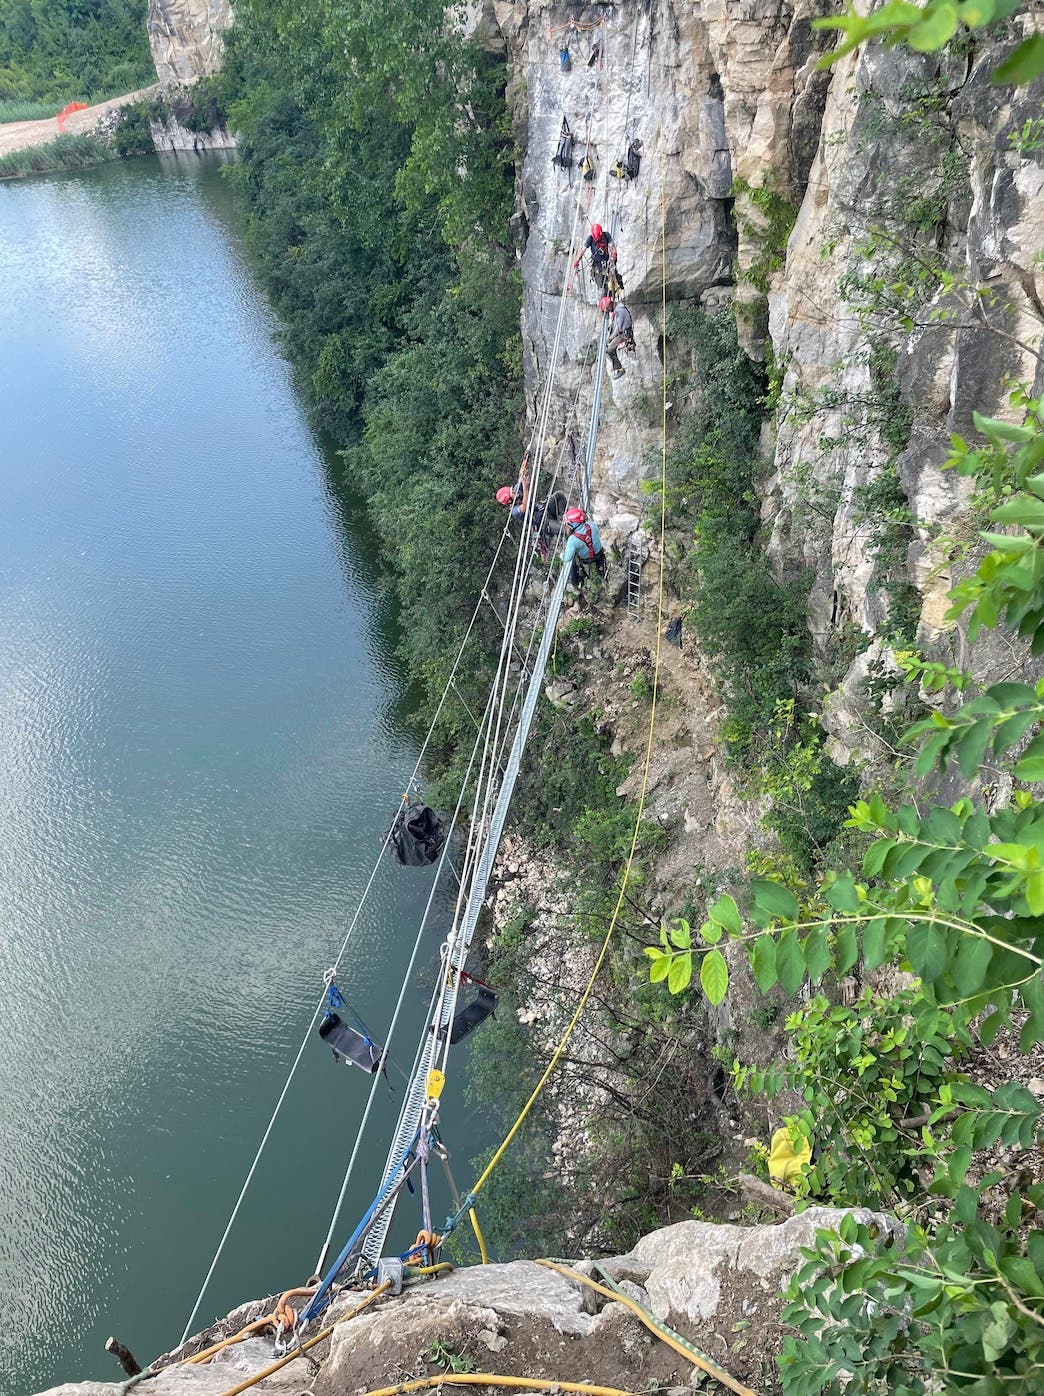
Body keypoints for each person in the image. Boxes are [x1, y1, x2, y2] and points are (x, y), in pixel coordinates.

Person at [562, 506, 607, 592]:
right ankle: (602, 573)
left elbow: (567, 558)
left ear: (573, 524)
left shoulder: (572, 540)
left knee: (572, 560)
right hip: (599, 554)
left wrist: (562, 555)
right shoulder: (591, 525)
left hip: (586, 559)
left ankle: (576, 583)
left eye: (568, 523)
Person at [573, 223, 620, 292]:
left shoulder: (606, 235)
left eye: (599, 237)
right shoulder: (590, 238)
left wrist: (613, 259)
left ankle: (612, 292)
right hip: (597, 264)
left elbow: (612, 248)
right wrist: (577, 261)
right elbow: (582, 250)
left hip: (607, 262)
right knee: (600, 285)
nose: (597, 238)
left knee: (613, 281)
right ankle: (603, 292)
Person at [607, 301, 635, 377]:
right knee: (609, 348)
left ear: (611, 304)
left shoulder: (620, 311)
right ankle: (616, 366)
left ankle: (620, 369)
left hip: (624, 334)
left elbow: (618, 328)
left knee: (609, 350)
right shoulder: (619, 309)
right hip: (624, 332)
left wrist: (611, 338)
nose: (608, 310)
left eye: (608, 308)